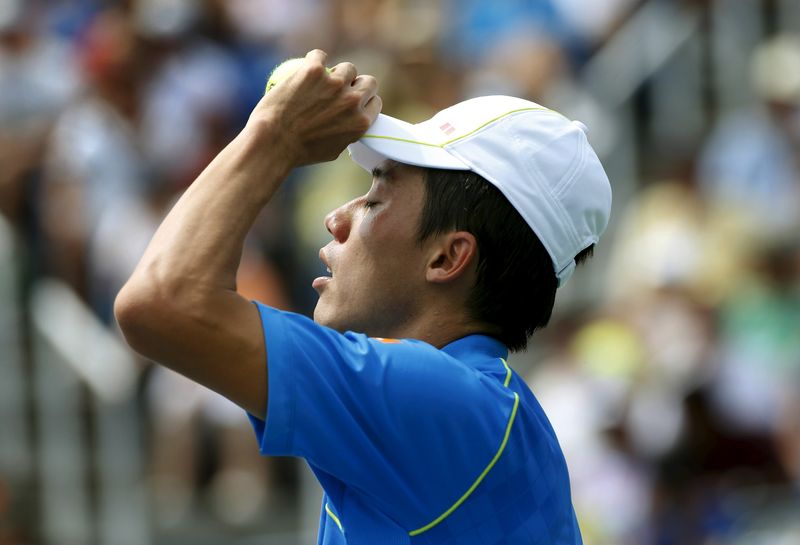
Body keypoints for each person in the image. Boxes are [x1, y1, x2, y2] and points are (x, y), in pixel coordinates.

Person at [115, 49, 612, 544]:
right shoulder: (474, 407)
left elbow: (162, 300)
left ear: (447, 257)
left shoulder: (440, 398)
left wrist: (276, 134)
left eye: (375, 198)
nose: (337, 219)